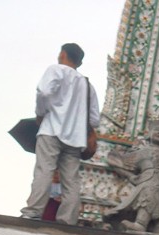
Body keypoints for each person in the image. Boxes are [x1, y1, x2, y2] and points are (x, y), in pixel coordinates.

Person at [21, 43, 100, 225]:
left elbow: (43, 92)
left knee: (44, 171)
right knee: (71, 180)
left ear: (63, 54)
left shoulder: (56, 70)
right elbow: (95, 119)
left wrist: (40, 113)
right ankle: (68, 220)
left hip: (52, 130)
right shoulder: (87, 85)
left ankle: (33, 212)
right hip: (75, 139)